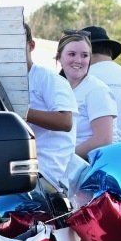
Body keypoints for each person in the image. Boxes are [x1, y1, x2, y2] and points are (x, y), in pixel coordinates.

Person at [21, 27, 75, 185]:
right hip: (16, 171)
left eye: (17, 43)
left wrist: (19, 111)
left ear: (31, 46)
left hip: (47, 175)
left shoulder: (48, 79)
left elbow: (65, 122)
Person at [57, 32, 117, 167]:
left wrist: (64, 157)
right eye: (72, 54)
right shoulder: (60, 88)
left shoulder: (96, 90)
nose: (78, 60)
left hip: (89, 171)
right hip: (65, 171)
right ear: (59, 57)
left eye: (84, 55)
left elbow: (103, 139)